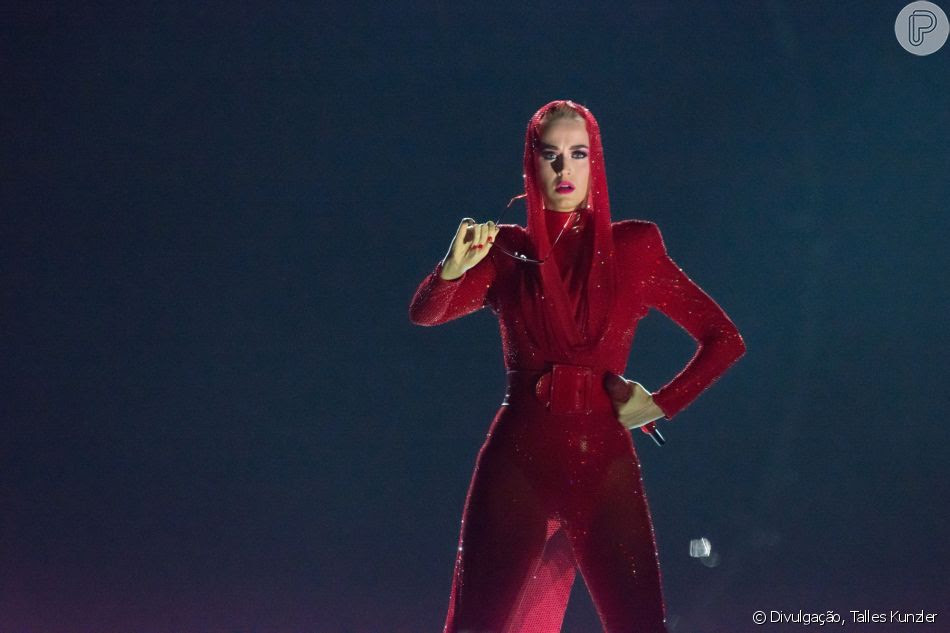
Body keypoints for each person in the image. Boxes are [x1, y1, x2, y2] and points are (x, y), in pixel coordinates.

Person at [408, 99, 746, 633]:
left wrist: (660, 403)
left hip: (603, 464)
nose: (565, 169)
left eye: (578, 153)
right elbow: (427, 314)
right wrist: (451, 269)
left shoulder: (635, 246)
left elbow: (724, 339)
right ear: (532, 164)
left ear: (596, 162)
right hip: (517, 460)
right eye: (551, 155)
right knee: (477, 623)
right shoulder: (506, 251)